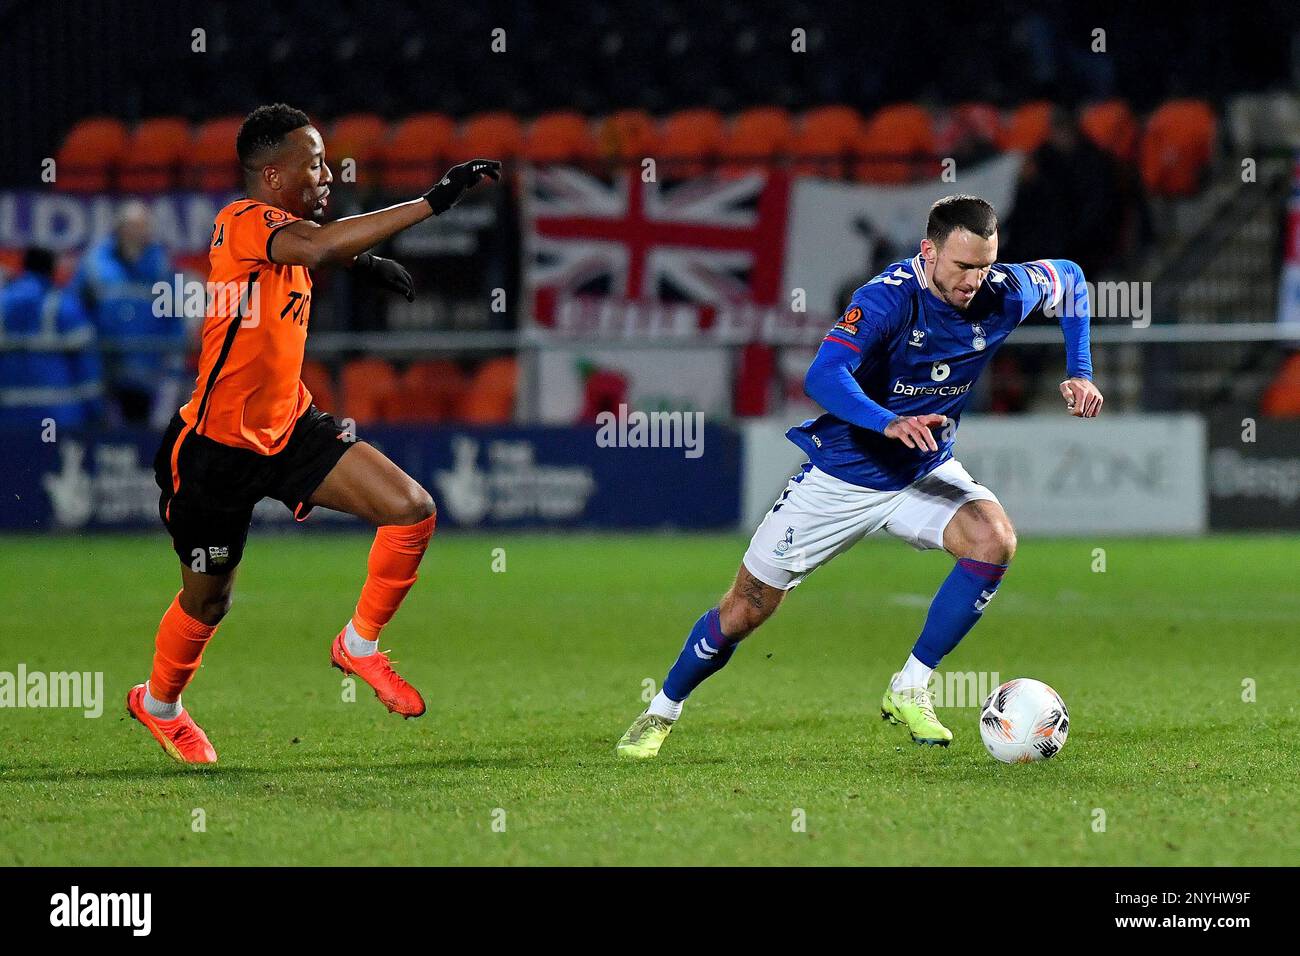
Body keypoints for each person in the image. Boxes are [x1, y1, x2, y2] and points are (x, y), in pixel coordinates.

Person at [616, 194, 1103, 758]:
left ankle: (911, 685)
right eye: (963, 266)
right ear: (929, 252)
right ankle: (662, 710)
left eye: (986, 265)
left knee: (993, 539)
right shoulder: (886, 300)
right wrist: (887, 421)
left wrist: (1081, 372)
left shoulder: (1004, 292)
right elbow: (823, 376)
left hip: (922, 471)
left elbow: (1069, 277)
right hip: (841, 477)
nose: (975, 279)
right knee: (744, 609)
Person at [126, 103, 501, 763]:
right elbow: (317, 244)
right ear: (272, 174)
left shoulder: (285, 234)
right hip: (215, 451)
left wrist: (365, 264)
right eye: (316, 161)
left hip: (290, 428)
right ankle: (159, 704)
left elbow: (317, 247)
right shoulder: (240, 220)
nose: (328, 172)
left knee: (411, 509)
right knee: (208, 603)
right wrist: (432, 202)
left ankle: (358, 644)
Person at [71, 202, 184, 425]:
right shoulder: (95, 264)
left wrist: (173, 365)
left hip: (146, 374)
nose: (136, 232)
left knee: (140, 442)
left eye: (142, 226)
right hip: (102, 370)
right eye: (130, 225)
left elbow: (174, 318)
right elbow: (76, 310)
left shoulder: (161, 267)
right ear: (119, 228)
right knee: (101, 439)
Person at [0, 247, 102, 430]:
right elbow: (86, 367)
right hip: (57, 417)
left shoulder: (3, 304)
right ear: (53, 269)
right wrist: (95, 411)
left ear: (23, 267)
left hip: (7, 417)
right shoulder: (65, 307)